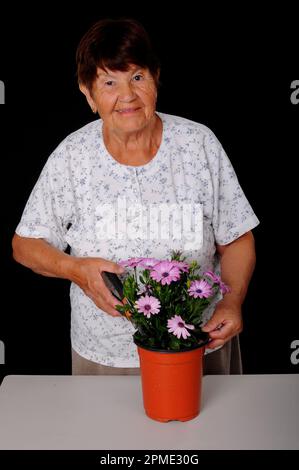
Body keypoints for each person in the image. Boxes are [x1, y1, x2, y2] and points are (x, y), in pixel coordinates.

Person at [12, 18, 259, 376]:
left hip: (198, 346)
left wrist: (233, 302)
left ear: (156, 77)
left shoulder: (197, 144)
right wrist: (76, 270)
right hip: (105, 356)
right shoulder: (72, 156)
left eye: (138, 77)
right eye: (109, 82)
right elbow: (25, 245)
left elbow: (237, 238)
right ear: (87, 92)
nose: (127, 96)